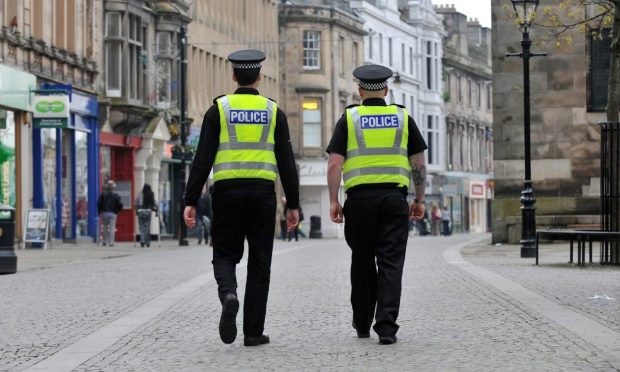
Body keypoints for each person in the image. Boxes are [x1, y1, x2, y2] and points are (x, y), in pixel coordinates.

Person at [183, 49, 299, 347]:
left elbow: (202, 159)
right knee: (260, 263)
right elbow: (287, 163)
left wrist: (191, 200)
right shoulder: (274, 112)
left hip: (226, 194)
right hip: (262, 195)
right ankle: (253, 332)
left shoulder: (218, 110)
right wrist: (294, 205)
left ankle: (229, 294)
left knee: (224, 254)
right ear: (260, 77)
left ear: (234, 75)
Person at [326, 64, 427, 345]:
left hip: (358, 202)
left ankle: (361, 322)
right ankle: (386, 326)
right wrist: (419, 199)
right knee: (391, 263)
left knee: (361, 260)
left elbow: (335, 163)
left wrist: (334, 200)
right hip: (394, 200)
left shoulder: (350, 118)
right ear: (386, 89)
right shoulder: (402, 118)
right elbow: (418, 162)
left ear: (359, 91)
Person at [97, 180, 123, 247]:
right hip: (113, 213)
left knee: (105, 228)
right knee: (112, 228)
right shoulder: (116, 195)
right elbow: (120, 204)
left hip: (104, 213)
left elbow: (99, 203)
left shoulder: (102, 194)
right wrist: (117, 211)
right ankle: (111, 243)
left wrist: (99, 212)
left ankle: (104, 241)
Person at [136, 183, 157, 247]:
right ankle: (147, 242)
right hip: (148, 212)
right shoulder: (151, 194)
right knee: (147, 227)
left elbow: (136, 203)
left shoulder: (140, 194)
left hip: (141, 212)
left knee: (141, 227)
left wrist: (137, 210)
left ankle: (142, 240)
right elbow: (154, 202)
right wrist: (156, 210)